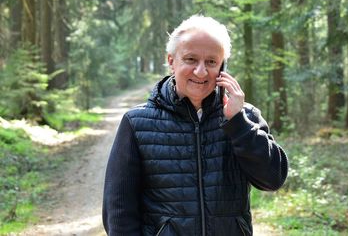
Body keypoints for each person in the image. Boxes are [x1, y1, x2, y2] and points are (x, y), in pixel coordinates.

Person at [102, 15, 288, 236]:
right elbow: (119, 209)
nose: (201, 72)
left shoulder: (243, 117)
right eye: (191, 59)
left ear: (222, 67)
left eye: (211, 62)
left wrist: (238, 124)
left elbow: (273, 179)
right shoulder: (136, 123)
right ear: (171, 61)